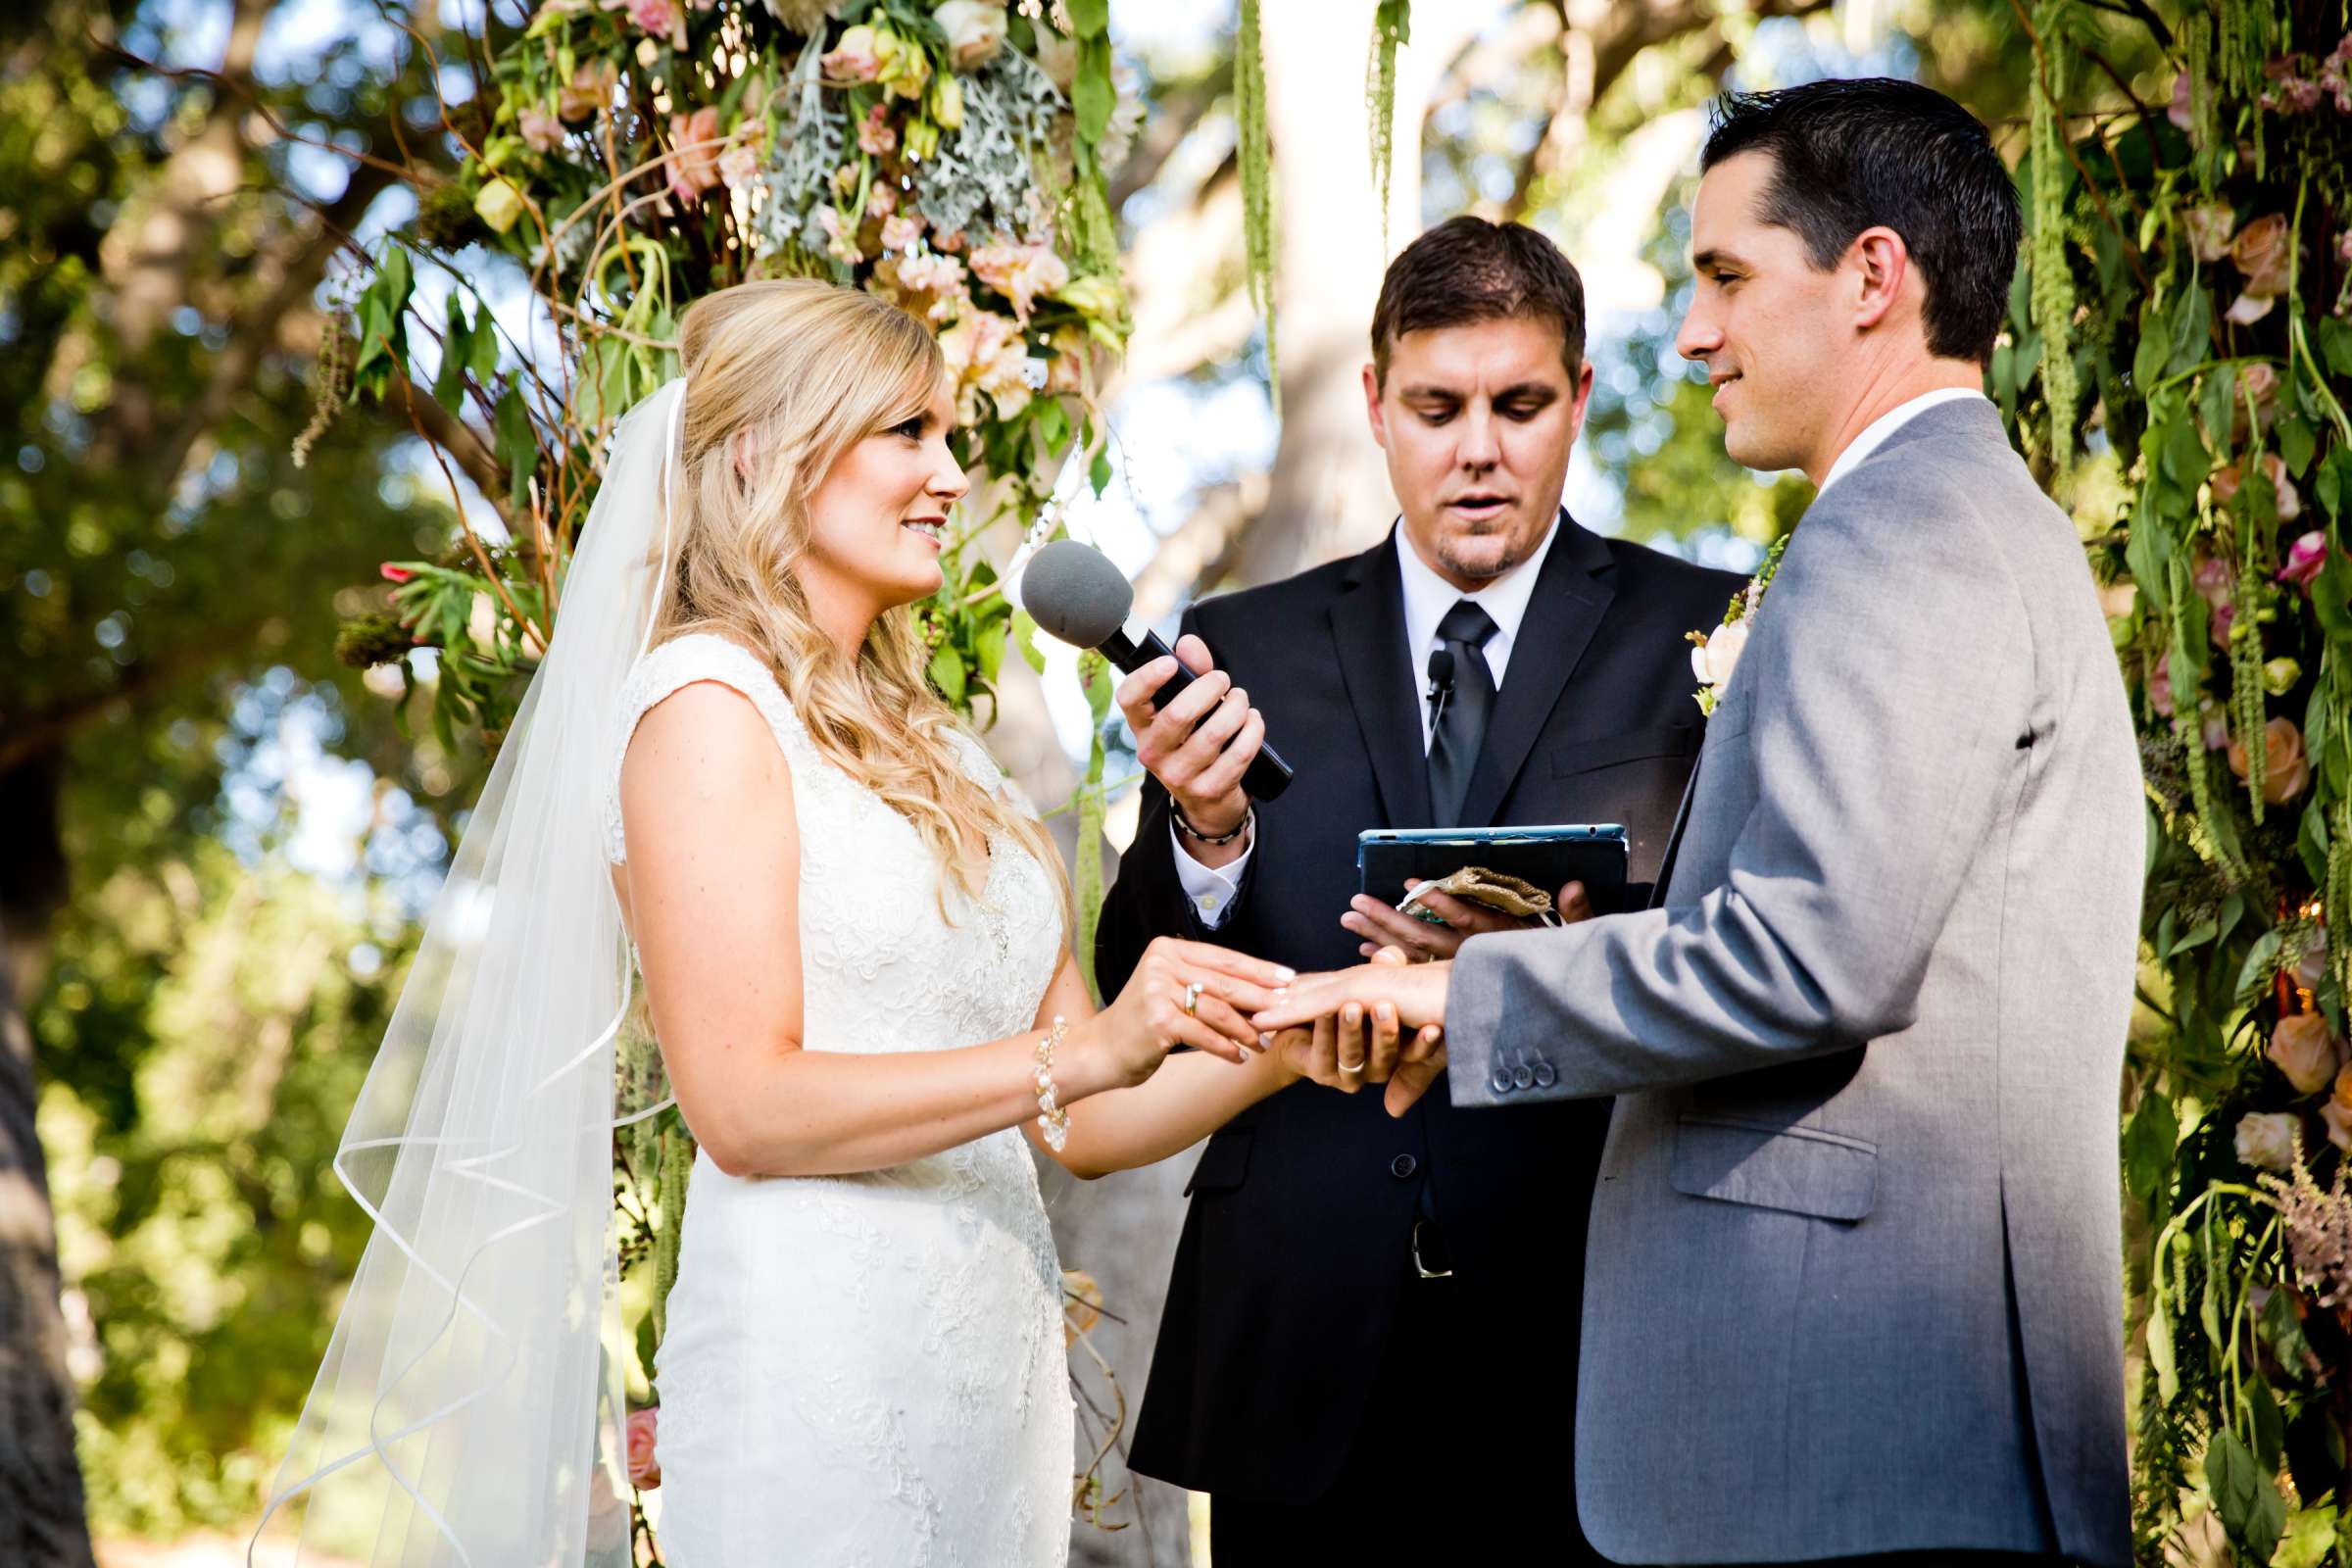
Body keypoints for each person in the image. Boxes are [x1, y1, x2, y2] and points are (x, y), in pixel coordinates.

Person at [258, 279, 1350, 1567]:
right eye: (909, 433)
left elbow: (1088, 1121)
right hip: (816, 1373)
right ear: (761, 455)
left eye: (949, 434)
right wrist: (1087, 1052)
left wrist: (1302, 1038)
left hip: (988, 1387)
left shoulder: (949, 743)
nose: (951, 475)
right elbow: (744, 1107)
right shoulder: (704, 706)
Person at [1257, 80, 2142, 1568]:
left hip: (1853, 1446)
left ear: (1872, 277)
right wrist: (1584, 947)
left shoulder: (1901, 531)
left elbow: (1819, 954)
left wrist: (1461, 991)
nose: (1691, 334)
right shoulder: (1969, 518)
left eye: (1726, 276)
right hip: (1871, 1450)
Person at [1094, 218, 1744, 1565]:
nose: (1479, 449)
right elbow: (1132, 996)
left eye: (1517, 404)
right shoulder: (1243, 645)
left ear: (1576, 398)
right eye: (1439, 407)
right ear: (1378, 404)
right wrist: (1204, 834)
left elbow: (1742, 954)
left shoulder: (1711, 630)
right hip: (1299, 1338)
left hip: (1595, 1329)